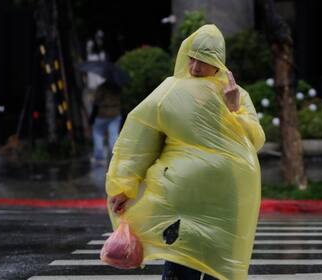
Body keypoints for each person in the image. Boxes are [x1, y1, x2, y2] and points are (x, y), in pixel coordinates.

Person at [105, 24, 265, 280]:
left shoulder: (236, 95)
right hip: (183, 205)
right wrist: (125, 185)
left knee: (221, 272)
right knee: (180, 269)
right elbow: (140, 139)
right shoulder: (171, 91)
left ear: (218, 63)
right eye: (192, 59)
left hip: (225, 204)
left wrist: (234, 111)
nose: (195, 68)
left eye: (203, 61)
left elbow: (255, 140)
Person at [89, 81, 122, 164]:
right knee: (113, 135)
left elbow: (96, 101)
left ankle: (99, 157)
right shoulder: (118, 87)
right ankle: (114, 156)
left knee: (98, 133)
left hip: (102, 113)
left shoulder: (102, 87)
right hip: (115, 112)